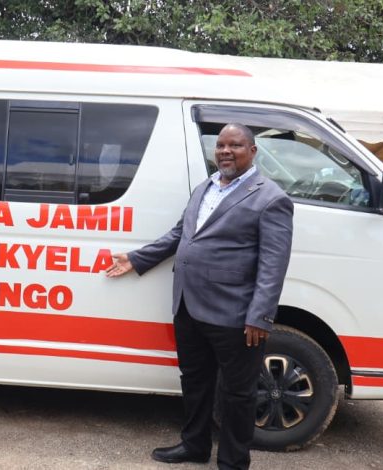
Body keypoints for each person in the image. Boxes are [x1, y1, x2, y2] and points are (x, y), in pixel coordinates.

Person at [106, 123, 294, 470]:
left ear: (253, 151)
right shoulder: (204, 187)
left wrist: (260, 315)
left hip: (235, 313)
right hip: (189, 305)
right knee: (195, 381)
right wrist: (137, 258)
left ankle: (233, 462)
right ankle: (194, 445)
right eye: (220, 145)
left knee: (237, 394)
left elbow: (274, 264)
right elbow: (181, 234)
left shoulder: (271, 198)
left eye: (235, 145)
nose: (225, 151)